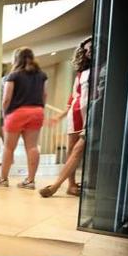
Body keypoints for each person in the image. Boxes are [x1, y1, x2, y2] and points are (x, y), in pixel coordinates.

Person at [40, 37, 93, 197]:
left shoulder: (101, 69)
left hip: (91, 113)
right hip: (75, 114)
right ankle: (70, 185)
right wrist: (60, 116)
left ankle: (61, 184)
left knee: (79, 151)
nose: (89, 52)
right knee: (71, 150)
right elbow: (73, 97)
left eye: (91, 48)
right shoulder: (81, 73)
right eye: (86, 50)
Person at [0, 48, 47, 189]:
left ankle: (3, 179)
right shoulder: (41, 75)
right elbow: (45, 95)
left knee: (8, 148)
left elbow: (6, 99)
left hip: (17, 113)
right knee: (32, 147)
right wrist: (40, 109)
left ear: (16, 59)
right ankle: (30, 181)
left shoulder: (13, 75)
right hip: (37, 111)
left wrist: (5, 115)